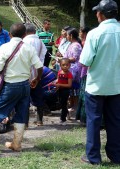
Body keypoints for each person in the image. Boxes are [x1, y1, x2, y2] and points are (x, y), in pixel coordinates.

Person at [0, 23, 43, 151]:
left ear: (9, 34)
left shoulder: (4, 47)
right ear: (24, 35)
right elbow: (39, 66)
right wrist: (37, 78)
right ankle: (17, 144)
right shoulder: (29, 48)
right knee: (21, 113)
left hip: (10, 85)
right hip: (25, 85)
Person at [79, 0, 120, 165]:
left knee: (94, 121)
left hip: (96, 85)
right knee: (115, 121)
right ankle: (116, 155)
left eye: (97, 12)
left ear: (101, 14)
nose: (96, 14)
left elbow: (85, 61)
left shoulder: (95, 33)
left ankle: (93, 157)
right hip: (117, 86)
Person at [23, 23, 47, 126]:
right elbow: (43, 57)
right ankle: (39, 120)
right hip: (38, 73)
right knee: (38, 97)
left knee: (25, 99)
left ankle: (26, 122)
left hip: (25, 74)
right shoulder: (40, 42)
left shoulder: (23, 42)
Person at [63, 28, 82, 116]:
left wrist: (64, 60)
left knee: (74, 90)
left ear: (71, 36)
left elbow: (74, 58)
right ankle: (72, 106)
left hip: (75, 71)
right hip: (71, 70)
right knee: (71, 91)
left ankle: (75, 107)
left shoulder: (75, 45)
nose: (66, 36)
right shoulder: (72, 44)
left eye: (67, 35)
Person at [76, 26, 90, 124]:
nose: (79, 33)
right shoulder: (84, 41)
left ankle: (84, 117)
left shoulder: (86, 42)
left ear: (84, 33)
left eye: (80, 32)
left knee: (84, 93)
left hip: (85, 69)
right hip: (84, 69)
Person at [52, 58, 72, 125]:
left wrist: (60, 84)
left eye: (67, 65)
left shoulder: (69, 74)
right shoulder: (59, 72)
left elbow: (69, 85)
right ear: (60, 65)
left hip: (65, 91)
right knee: (61, 103)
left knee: (63, 104)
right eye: (63, 65)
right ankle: (67, 113)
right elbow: (58, 80)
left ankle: (63, 119)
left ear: (69, 65)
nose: (65, 66)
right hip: (59, 90)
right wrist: (55, 84)